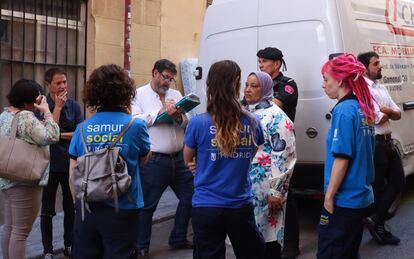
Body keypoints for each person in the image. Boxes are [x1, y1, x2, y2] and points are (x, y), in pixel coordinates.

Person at [183, 60, 266, 259]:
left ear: (210, 85)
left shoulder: (197, 123)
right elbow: (251, 155)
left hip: (206, 206)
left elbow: (188, 159)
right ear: (236, 85)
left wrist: (201, 166)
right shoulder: (253, 122)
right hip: (239, 205)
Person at [68, 64, 151, 258]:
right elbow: (144, 159)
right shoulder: (135, 125)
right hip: (124, 207)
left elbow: (73, 173)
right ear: (126, 91)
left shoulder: (81, 128)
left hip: (87, 208)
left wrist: (78, 205)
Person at [131, 59, 194, 256]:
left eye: (171, 79)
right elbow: (133, 120)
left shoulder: (175, 95)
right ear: (154, 73)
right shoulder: (139, 94)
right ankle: (141, 246)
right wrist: (158, 112)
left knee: (191, 197)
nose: (167, 82)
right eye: (165, 77)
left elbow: (187, 122)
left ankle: (179, 237)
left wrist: (177, 116)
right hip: (154, 160)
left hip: (179, 158)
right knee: (148, 205)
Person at [317, 53, 376, 258]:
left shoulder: (343, 111)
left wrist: (329, 197)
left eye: (326, 79)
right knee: (348, 251)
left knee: (331, 253)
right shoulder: (362, 107)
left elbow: (342, 158)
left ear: (340, 80)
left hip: (345, 198)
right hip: (361, 195)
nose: (323, 85)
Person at [0, 79, 60, 259]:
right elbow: (52, 136)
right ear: (30, 101)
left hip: (7, 176)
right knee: (21, 232)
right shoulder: (26, 117)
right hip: (24, 180)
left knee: (10, 228)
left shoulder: (4, 115)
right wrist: (48, 112)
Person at [242, 71, 297, 259]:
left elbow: (284, 154)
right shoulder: (246, 112)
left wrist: (276, 190)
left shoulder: (276, 115)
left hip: (267, 189)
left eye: (254, 86)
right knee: (250, 239)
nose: (248, 90)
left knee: (269, 239)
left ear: (265, 88)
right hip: (246, 189)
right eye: (247, 85)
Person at [357, 51, 405, 245]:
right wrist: (387, 112)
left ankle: (376, 220)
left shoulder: (381, 87)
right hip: (374, 143)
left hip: (388, 141)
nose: (380, 66)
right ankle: (379, 228)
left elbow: (398, 113)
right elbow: (377, 118)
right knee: (378, 187)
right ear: (364, 68)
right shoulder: (363, 90)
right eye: (376, 63)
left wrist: (388, 111)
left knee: (398, 181)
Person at [257, 47, 300, 258]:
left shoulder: (288, 84)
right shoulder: (259, 85)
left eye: (264, 61)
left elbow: (275, 104)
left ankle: (292, 245)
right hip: (260, 150)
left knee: (285, 196)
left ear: (277, 63)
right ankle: (268, 241)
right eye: (259, 61)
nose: (260, 65)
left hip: (281, 146)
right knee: (264, 198)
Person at [41, 68, 83, 259]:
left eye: (65, 82)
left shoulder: (74, 106)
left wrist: (58, 135)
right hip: (48, 164)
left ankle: (69, 244)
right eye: (58, 83)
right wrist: (56, 109)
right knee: (47, 210)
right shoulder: (41, 106)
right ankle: (48, 250)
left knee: (70, 207)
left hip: (70, 163)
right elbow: (46, 135)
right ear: (48, 84)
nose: (63, 86)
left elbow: (80, 134)